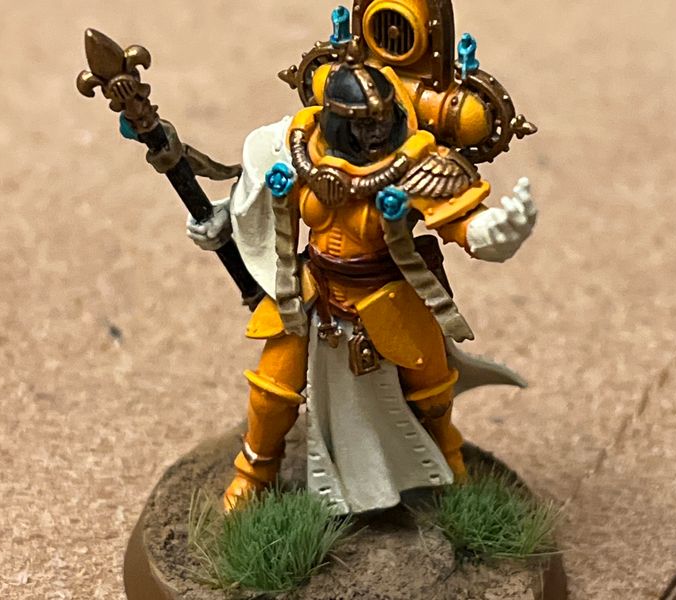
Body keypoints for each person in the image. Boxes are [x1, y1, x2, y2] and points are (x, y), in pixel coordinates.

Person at [187, 43, 536, 514]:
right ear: (336, 120)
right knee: (271, 391)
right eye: (361, 124)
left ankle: (450, 461)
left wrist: (492, 232)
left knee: (431, 385)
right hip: (311, 290)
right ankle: (254, 473)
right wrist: (224, 217)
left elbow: (457, 217)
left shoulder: (416, 162)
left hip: (388, 295)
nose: (373, 132)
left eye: (379, 120)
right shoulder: (297, 145)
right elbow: (254, 197)